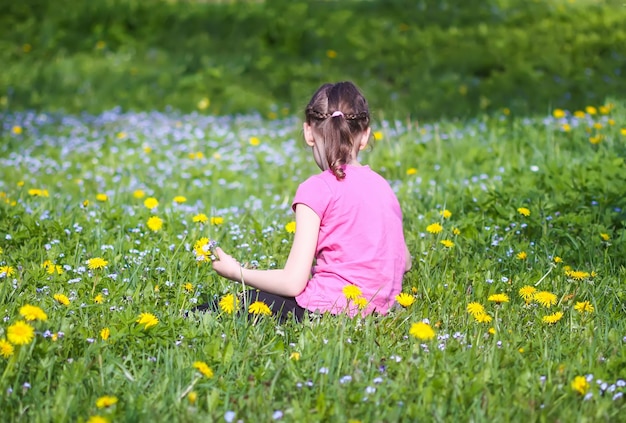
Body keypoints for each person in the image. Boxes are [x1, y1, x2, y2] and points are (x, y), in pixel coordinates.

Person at [208, 81, 412, 321]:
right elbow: (405, 261)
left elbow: (293, 283)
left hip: (327, 311)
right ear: (365, 136)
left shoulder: (317, 188)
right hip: (379, 313)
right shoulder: (383, 187)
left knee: (229, 306)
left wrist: (237, 272)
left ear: (308, 132)